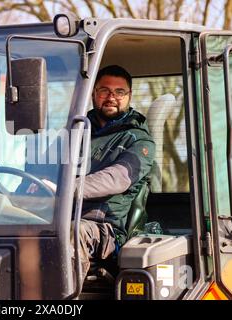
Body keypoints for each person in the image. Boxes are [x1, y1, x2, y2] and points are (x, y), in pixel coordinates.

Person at [41, 65, 155, 281]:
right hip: (57, 216)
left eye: (119, 92)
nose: (111, 97)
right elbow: (43, 172)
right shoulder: (73, 132)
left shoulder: (138, 140)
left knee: (71, 233)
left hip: (105, 229)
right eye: (104, 90)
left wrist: (66, 189)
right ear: (93, 93)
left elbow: (117, 179)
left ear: (129, 96)